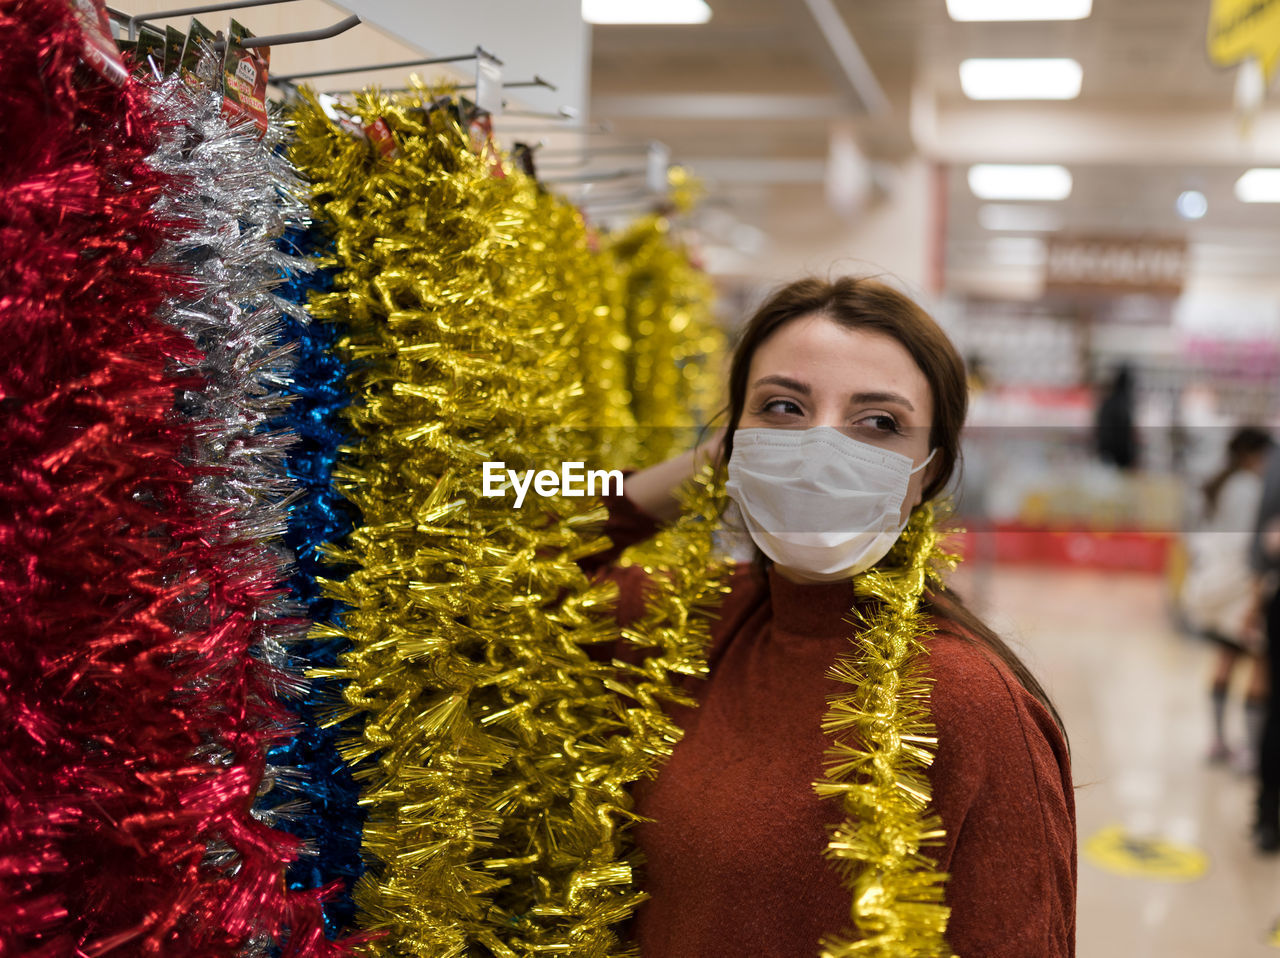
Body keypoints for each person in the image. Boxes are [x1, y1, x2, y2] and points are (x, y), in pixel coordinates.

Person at [582, 277, 1076, 956]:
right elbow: (514, 557)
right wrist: (699, 469)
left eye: (879, 423)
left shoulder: (969, 704)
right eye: (783, 407)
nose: (818, 454)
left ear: (926, 475)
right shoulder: (687, 622)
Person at [1180, 426, 1271, 768]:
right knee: (1260, 666)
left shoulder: (1218, 483)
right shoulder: (1249, 488)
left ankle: (1217, 741)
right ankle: (1251, 750)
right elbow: (1251, 545)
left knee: (1225, 659)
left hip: (1213, 585)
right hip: (1241, 587)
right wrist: (1257, 594)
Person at [1093, 362, 1139, 470]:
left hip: (1106, 455)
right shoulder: (1123, 404)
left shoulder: (1107, 402)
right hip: (1118, 458)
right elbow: (1123, 435)